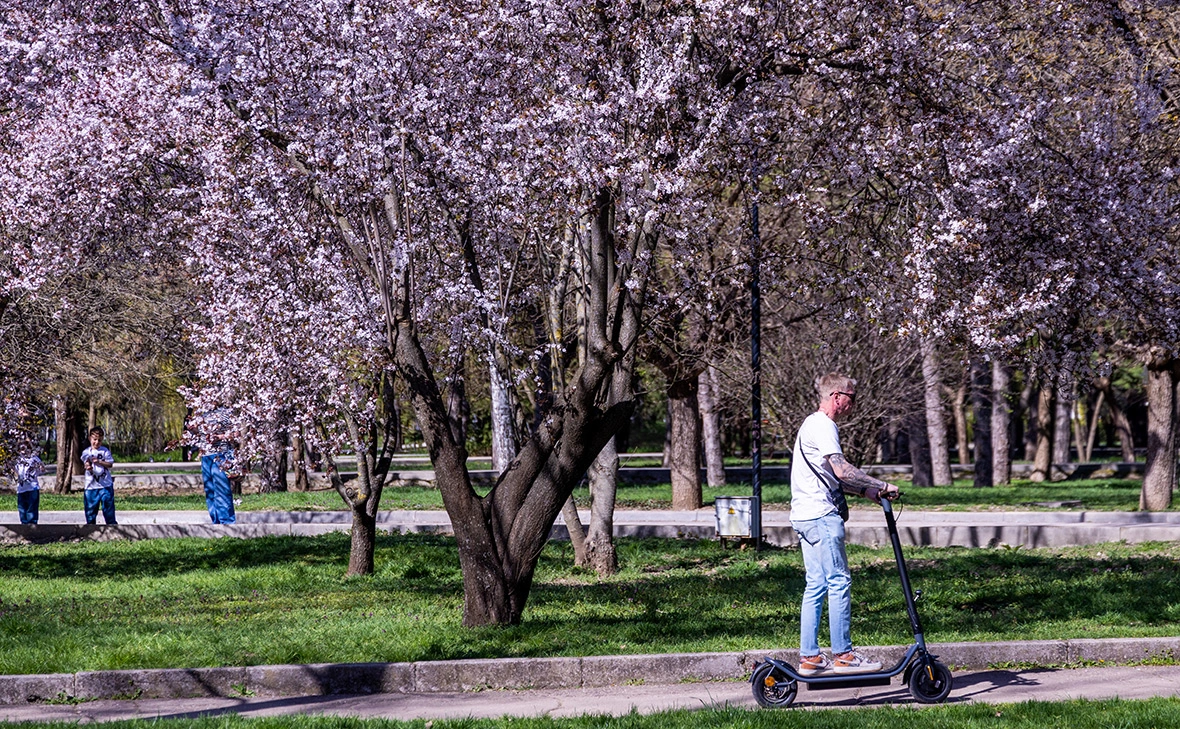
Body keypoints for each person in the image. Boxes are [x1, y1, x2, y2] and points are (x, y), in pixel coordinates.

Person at [790, 372, 898, 675]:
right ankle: (844, 655)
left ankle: (810, 657)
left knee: (816, 584)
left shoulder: (811, 424)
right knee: (838, 581)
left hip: (804, 514)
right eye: (852, 397)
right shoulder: (824, 426)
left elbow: (828, 476)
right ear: (837, 396)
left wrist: (867, 491)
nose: (854, 403)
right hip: (821, 516)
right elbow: (842, 471)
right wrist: (883, 484)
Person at [199, 408, 237, 525]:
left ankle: (227, 521)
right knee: (209, 489)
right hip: (206, 455)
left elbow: (237, 433)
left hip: (222, 454)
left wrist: (220, 437)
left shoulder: (226, 412)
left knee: (221, 488)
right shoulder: (202, 413)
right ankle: (215, 521)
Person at [80, 426, 117, 524]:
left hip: (105, 485)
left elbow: (110, 464)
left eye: (99, 440)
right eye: (94, 440)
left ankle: (111, 526)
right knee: (91, 509)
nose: (97, 442)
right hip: (91, 486)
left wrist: (99, 462)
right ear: (90, 439)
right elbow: (86, 462)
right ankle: (91, 527)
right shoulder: (86, 452)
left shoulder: (105, 451)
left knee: (108, 507)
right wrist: (88, 466)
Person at [15, 448, 45, 524]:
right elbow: (14, 471)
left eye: (26, 448)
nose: (24, 451)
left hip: (32, 488)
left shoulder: (34, 459)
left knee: (32, 508)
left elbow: (42, 469)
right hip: (21, 488)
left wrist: (40, 466)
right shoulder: (17, 460)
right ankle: (24, 525)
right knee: (22, 508)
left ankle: (32, 525)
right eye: (21, 449)